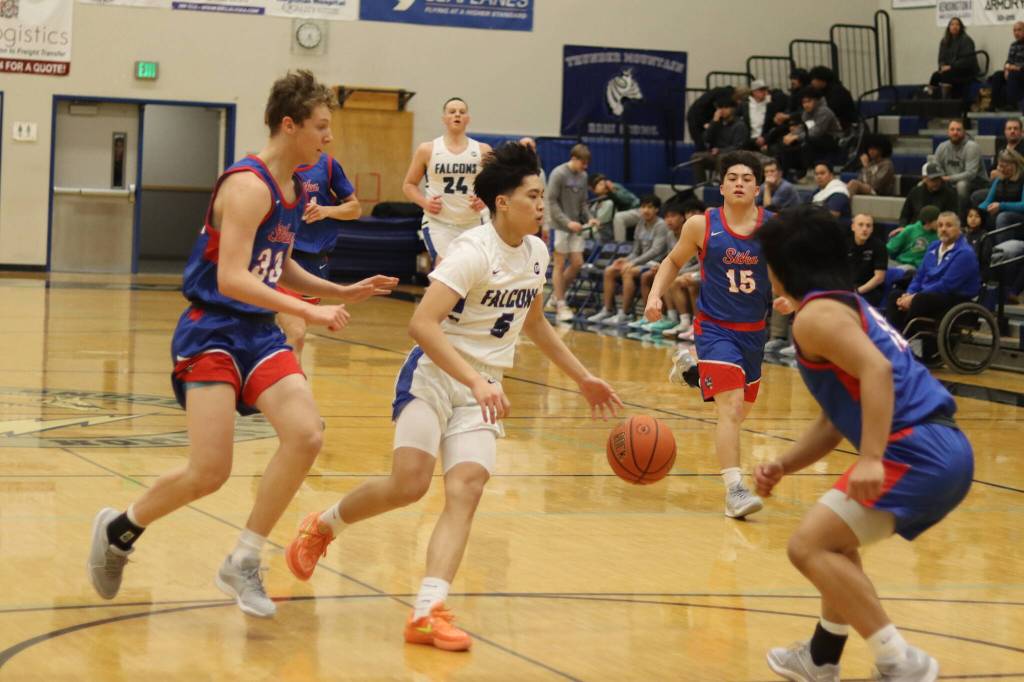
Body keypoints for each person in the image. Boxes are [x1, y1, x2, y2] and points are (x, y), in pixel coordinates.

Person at [283, 142, 622, 651]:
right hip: (434, 375)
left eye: (540, 196)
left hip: (482, 386)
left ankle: (427, 610)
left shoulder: (535, 252)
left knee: (466, 489)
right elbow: (422, 324)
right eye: (532, 196)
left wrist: (583, 378)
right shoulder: (471, 252)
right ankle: (323, 525)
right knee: (409, 485)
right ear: (503, 202)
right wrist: (474, 380)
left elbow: (534, 323)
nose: (540, 205)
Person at [86, 71, 399, 617]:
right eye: (321, 126)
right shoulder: (248, 186)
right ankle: (121, 529)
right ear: (289, 125)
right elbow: (232, 277)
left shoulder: (295, 188)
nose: (328, 138)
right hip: (212, 330)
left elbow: (279, 263)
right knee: (210, 472)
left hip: (258, 333)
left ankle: (244, 558)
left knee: (306, 435)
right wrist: (307, 311)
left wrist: (340, 290)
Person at [755, 204, 973, 682]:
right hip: (938, 445)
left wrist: (871, 458)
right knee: (831, 544)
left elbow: (877, 370)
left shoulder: (815, 317)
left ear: (785, 266)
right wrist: (784, 464)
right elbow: (833, 423)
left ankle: (901, 662)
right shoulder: (843, 306)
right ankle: (821, 657)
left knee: (807, 547)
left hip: (914, 449)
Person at [645, 150, 780, 519]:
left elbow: (786, 270)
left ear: (758, 188)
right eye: (732, 178)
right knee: (731, 407)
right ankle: (735, 490)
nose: (739, 183)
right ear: (721, 186)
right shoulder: (701, 225)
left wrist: (788, 296)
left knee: (737, 412)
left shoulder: (773, 227)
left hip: (754, 332)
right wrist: (655, 295)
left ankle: (693, 373)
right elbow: (673, 261)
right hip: (715, 328)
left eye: (747, 179)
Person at [277, 152, 363, 362]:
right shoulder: (277, 164)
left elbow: (355, 209)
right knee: (295, 333)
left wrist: (326, 211)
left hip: (315, 262)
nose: (327, 137)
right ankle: (289, 379)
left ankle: (284, 374)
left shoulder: (328, 164)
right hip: (285, 259)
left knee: (296, 334)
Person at [403, 97, 492, 264]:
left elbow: (497, 185)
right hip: (438, 223)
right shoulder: (427, 149)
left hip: (472, 223)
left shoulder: (483, 150)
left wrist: (485, 199)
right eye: (452, 112)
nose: (457, 115)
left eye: (462, 112)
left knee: (471, 270)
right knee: (443, 267)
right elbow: (408, 185)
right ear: (444, 118)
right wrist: (425, 203)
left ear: (468, 119)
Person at [886, 211, 981, 346]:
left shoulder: (965, 253)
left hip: (955, 298)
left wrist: (914, 297)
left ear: (958, 229)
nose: (943, 229)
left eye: (948, 225)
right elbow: (919, 276)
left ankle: (904, 342)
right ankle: (891, 342)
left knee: (920, 300)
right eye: (940, 225)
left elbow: (946, 285)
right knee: (895, 295)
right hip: (930, 294)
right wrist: (908, 294)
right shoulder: (934, 247)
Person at [587, 195, 671, 327]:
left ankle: (625, 313)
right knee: (610, 271)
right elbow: (636, 251)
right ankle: (608, 310)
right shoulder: (640, 224)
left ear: (656, 210)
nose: (646, 210)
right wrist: (625, 259)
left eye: (650, 207)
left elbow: (655, 251)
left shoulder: (661, 225)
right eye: (643, 207)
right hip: (640, 262)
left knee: (628, 272)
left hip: (656, 263)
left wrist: (633, 263)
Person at [546, 143, 600, 322]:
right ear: (574, 158)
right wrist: (567, 222)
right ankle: (561, 304)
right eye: (583, 163)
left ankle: (556, 296)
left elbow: (583, 202)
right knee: (559, 265)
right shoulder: (558, 173)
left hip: (577, 227)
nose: (585, 167)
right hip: (560, 227)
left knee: (577, 263)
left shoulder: (583, 176)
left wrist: (590, 218)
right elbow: (551, 202)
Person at [931, 119, 988, 211]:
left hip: (975, 183)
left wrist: (948, 178)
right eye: (952, 129)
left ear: (964, 132)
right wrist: (940, 177)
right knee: (926, 183)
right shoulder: (942, 147)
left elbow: (971, 174)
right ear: (948, 132)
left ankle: (961, 216)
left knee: (961, 185)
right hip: (949, 182)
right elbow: (935, 166)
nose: (955, 132)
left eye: (958, 130)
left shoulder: (972, 147)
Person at [691, 96, 749, 184]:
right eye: (719, 108)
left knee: (722, 158)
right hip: (716, 154)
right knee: (696, 157)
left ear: (733, 109)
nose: (722, 110)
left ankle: (720, 184)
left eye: (725, 107)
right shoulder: (716, 123)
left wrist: (720, 150)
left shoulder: (740, 125)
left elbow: (739, 147)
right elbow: (706, 139)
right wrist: (714, 122)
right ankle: (701, 186)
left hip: (733, 156)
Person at [927, 17, 980, 99]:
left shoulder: (966, 40)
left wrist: (951, 67)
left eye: (957, 25)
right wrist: (942, 66)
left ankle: (945, 101)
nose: (954, 27)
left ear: (961, 27)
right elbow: (941, 58)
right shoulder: (944, 41)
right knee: (935, 75)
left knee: (947, 75)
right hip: (950, 70)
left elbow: (967, 61)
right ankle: (931, 99)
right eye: (952, 24)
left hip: (965, 70)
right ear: (949, 27)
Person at [897, 163, 959, 227]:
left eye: (938, 179)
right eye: (933, 179)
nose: (936, 182)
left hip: (939, 229)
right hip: (916, 228)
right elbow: (904, 216)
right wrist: (902, 227)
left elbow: (952, 217)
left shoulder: (949, 194)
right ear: (925, 178)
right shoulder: (915, 192)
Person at [978, 148, 1024, 230]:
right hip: (1002, 213)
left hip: (1019, 217)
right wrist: (977, 212)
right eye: (999, 166)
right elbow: (988, 201)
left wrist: (1001, 206)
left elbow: (1023, 206)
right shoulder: (999, 179)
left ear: (1014, 166)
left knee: (1002, 217)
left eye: (1004, 166)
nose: (1001, 169)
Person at [848, 213, 888, 307]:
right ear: (853, 227)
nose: (865, 229)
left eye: (868, 226)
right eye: (861, 225)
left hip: (869, 290)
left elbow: (879, 278)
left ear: (872, 229)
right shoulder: (844, 244)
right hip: (848, 287)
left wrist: (857, 291)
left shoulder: (880, 247)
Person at [888, 205, 940, 273]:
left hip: (915, 268)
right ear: (928, 221)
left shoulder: (939, 235)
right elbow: (890, 248)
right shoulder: (911, 229)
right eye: (937, 220)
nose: (940, 223)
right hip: (900, 262)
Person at [589, 172, 640, 242]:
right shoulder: (598, 201)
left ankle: (619, 245)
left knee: (618, 217)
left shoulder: (614, 187)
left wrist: (613, 190)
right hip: (624, 213)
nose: (603, 185)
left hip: (636, 209)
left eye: (602, 183)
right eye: (599, 184)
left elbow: (627, 200)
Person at [990, 22, 1024, 110]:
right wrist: (1006, 69)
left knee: (1013, 74)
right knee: (997, 75)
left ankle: (1011, 104)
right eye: (1014, 30)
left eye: (1019, 30)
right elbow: (1009, 61)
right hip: (1013, 71)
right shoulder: (1013, 45)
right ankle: (994, 104)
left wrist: (1016, 68)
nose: (1016, 33)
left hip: (1020, 71)